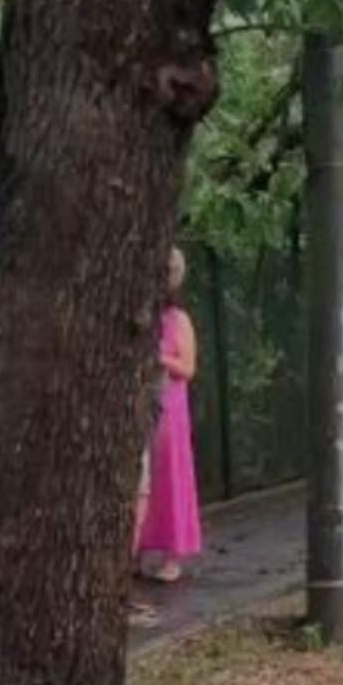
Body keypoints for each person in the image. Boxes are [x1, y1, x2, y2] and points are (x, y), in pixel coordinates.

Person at [137, 247, 202, 583]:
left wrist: (159, 358)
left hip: (170, 407)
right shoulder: (142, 317)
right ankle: (138, 548)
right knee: (142, 481)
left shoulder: (179, 320)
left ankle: (173, 554)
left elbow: (188, 368)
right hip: (141, 403)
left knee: (170, 476)